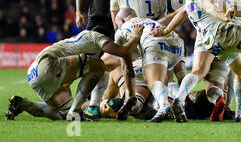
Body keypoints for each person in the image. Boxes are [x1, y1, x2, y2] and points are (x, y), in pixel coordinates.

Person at [5, 25, 144, 122]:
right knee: (101, 67)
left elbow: (68, 78)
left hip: (34, 74)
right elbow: (123, 51)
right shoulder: (96, 36)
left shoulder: (82, 43)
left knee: (63, 113)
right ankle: (90, 108)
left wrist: (66, 90)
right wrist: (136, 37)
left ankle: (23, 104)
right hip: (49, 63)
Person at [114, 7, 186, 123]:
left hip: (154, 44)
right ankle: (178, 101)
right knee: (169, 76)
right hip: (177, 45)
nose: (116, 26)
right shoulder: (149, 21)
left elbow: (125, 64)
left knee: (153, 81)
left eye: (116, 23)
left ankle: (162, 105)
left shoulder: (121, 30)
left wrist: (130, 94)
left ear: (122, 20)